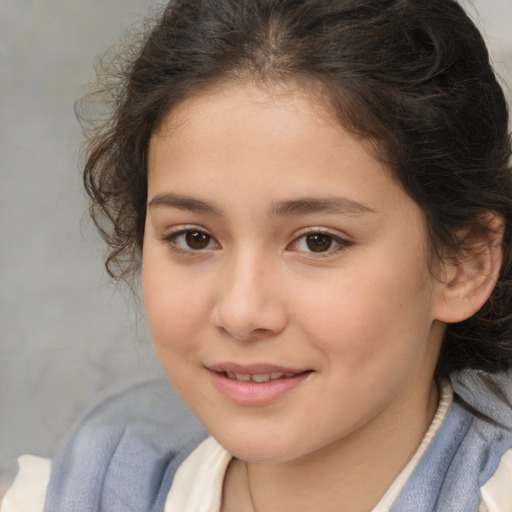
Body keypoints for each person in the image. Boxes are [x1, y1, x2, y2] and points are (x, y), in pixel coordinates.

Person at [2, 0, 512, 510]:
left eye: (318, 241)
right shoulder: (70, 493)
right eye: (194, 238)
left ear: (463, 265)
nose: (241, 313)